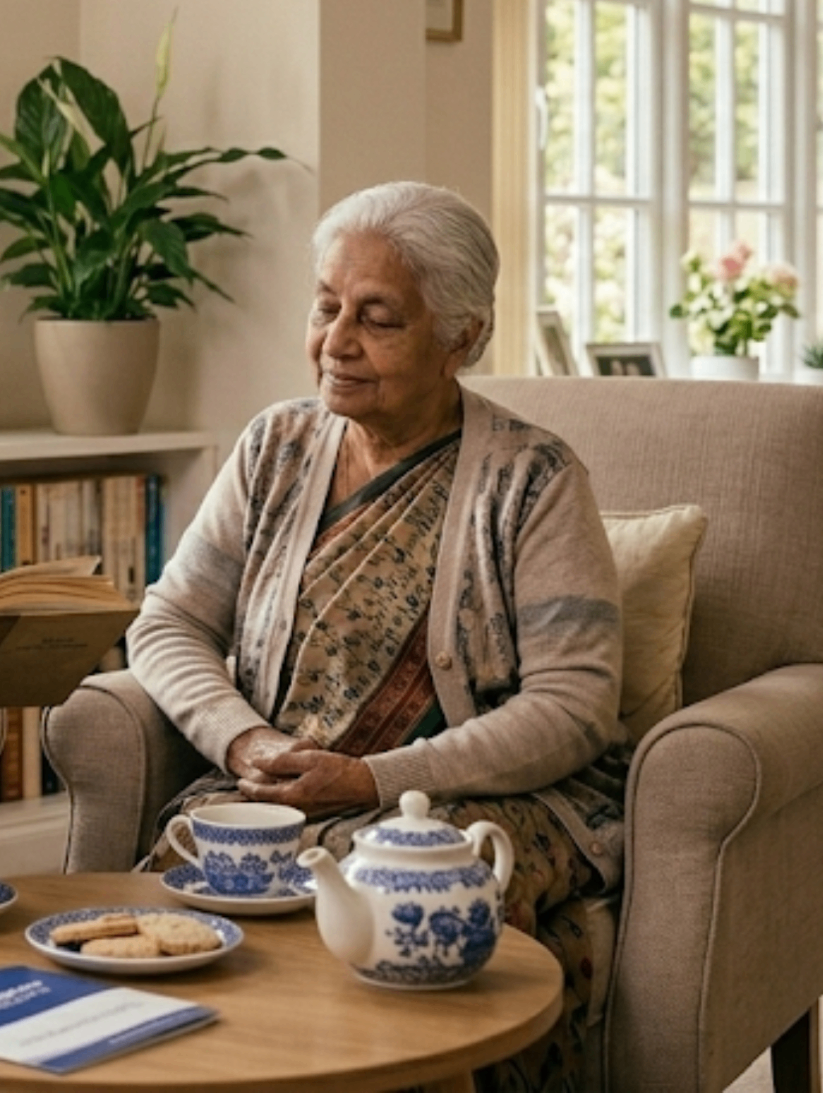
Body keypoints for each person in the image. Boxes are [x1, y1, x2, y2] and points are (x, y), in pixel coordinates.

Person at [128, 181, 628, 1092]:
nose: (335, 342)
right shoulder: (274, 445)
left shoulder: (535, 479)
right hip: (286, 781)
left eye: (378, 318)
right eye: (326, 307)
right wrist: (248, 739)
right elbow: (167, 622)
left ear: (461, 338)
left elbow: (576, 705)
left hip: (477, 795)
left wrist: (374, 779)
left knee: (404, 894)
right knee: (176, 910)